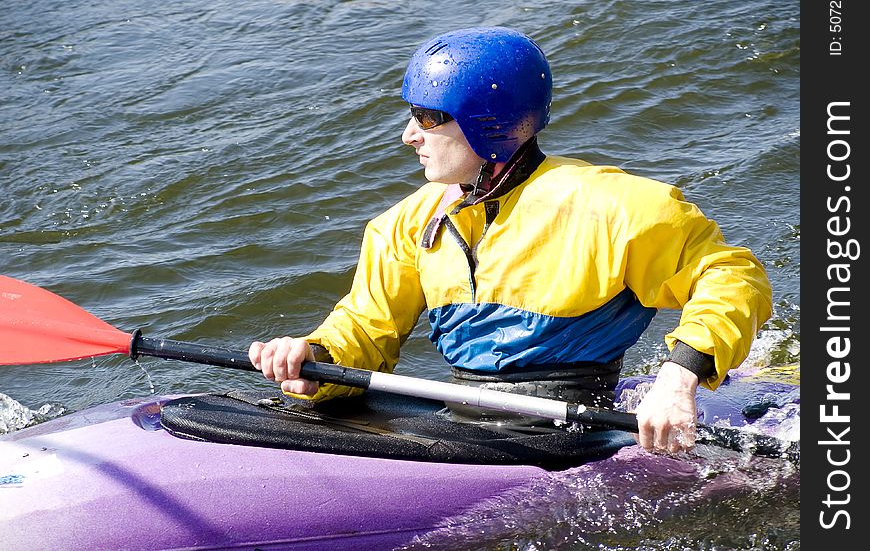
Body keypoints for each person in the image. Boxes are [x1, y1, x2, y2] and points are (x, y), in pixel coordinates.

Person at [249, 27, 772, 455]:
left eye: (429, 118)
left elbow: (732, 279)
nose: (409, 135)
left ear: (488, 124)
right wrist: (314, 358)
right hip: (464, 415)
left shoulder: (616, 207)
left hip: (569, 428)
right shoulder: (403, 224)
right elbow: (366, 329)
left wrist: (678, 378)